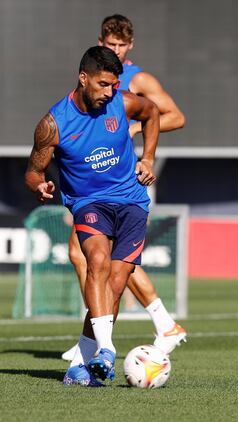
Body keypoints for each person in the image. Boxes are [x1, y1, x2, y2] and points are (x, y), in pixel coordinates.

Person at [26, 46, 160, 386]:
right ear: (83, 78)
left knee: (115, 285)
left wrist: (149, 158)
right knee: (96, 262)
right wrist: (39, 186)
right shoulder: (53, 124)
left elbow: (153, 112)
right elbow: (33, 171)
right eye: (102, 84)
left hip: (132, 201)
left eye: (114, 84)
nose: (109, 92)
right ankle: (107, 351)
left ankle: (84, 363)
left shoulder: (122, 102)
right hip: (89, 203)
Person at [62, 14, 187, 362]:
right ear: (101, 42)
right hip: (96, 180)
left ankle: (95, 339)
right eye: (110, 44)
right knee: (99, 259)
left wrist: (133, 130)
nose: (116, 49)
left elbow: (174, 116)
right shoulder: (98, 75)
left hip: (126, 179)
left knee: (102, 258)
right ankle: (153, 325)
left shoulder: (138, 78)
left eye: (122, 45)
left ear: (130, 46)